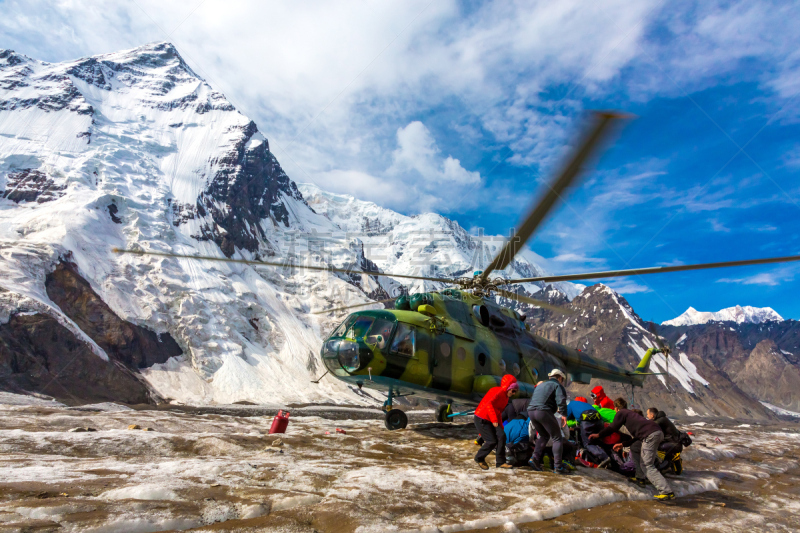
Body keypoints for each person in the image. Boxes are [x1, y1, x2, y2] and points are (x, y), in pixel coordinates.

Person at [589, 398, 675, 501]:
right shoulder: (631, 414)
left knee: (647, 465)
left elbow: (612, 428)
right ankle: (640, 478)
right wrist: (623, 444)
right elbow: (638, 438)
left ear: (616, 408)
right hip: (656, 432)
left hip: (651, 435)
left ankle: (666, 491)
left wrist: (598, 435)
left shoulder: (621, 413)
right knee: (635, 447)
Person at [527, 368, 570, 474]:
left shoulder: (541, 385)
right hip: (543, 411)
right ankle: (558, 467)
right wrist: (564, 414)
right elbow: (561, 399)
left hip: (531, 411)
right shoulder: (557, 385)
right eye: (562, 380)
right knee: (557, 437)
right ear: (560, 378)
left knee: (544, 435)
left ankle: (535, 459)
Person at [473, 375, 518, 470]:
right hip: (482, 418)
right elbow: (489, 404)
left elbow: (498, 411)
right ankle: (479, 458)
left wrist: (500, 425)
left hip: (491, 419)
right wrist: (494, 420)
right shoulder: (496, 391)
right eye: (513, 391)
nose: (514, 393)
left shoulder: (505, 398)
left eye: (515, 392)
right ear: (508, 388)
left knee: (502, 435)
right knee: (491, 441)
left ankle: (501, 462)